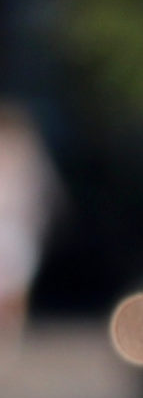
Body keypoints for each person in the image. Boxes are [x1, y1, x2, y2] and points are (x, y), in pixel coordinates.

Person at [0, 104, 57, 359]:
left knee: (14, 290)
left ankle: (9, 338)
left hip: (16, 228)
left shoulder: (26, 152)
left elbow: (42, 192)